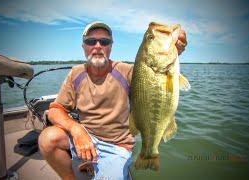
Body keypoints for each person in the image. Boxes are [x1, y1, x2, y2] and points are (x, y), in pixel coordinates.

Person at [38, 21, 187, 180]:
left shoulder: (127, 70)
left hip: (118, 146)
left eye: (104, 41)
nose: (97, 46)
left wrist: (176, 50)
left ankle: (132, 158)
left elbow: (151, 77)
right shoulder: (76, 73)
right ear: (83, 46)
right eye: (90, 41)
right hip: (86, 138)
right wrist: (77, 130)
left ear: (111, 46)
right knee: (47, 139)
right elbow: (55, 110)